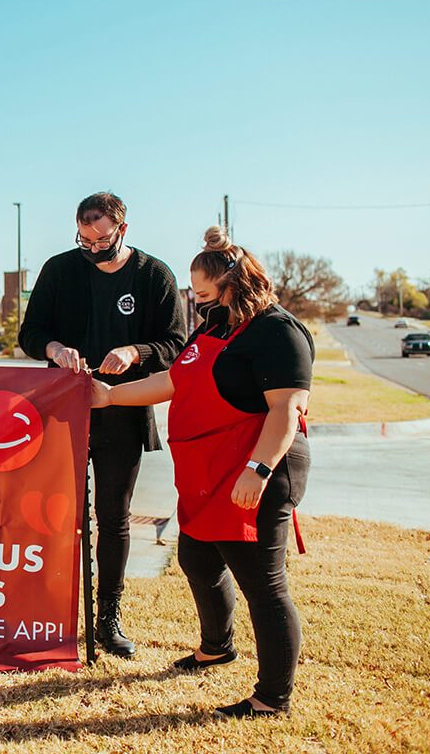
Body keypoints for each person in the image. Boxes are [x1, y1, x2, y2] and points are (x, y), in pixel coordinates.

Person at [91, 225, 313, 718]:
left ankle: (272, 698)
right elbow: (172, 378)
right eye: (197, 293)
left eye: (207, 292)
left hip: (256, 468)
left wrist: (257, 470)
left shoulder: (279, 331)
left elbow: (286, 410)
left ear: (237, 283)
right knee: (197, 557)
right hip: (206, 472)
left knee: (264, 583)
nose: (199, 300)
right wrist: (109, 395)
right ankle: (217, 646)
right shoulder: (214, 326)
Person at [19, 191, 186, 657]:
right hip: (61, 413)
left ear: (122, 230)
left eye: (101, 239)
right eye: (84, 239)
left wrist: (137, 352)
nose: (92, 248)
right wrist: (53, 349)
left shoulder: (154, 275)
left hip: (123, 411)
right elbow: (29, 334)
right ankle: (42, 612)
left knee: (113, 518)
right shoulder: (59, 269)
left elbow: (176, 343)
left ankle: (107, 619)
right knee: (48, 515)